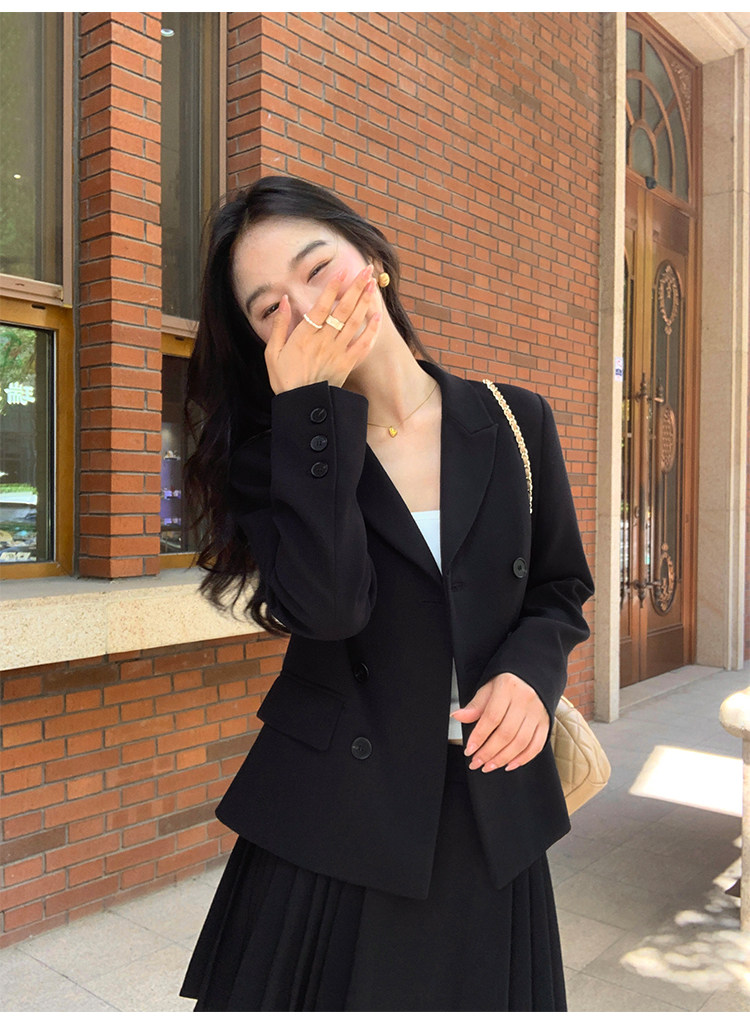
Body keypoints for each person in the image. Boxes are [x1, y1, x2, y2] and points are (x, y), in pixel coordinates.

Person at [179, 175, 594, 1012]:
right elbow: (330, 609)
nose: (306, 309)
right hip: (334, 823)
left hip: (488, 804)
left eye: (316, 268)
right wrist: (310, 412)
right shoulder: (276, 458)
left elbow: (559, 587)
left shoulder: (516, 420)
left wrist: (531, 673)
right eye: (270, 309)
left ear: (372, 259)